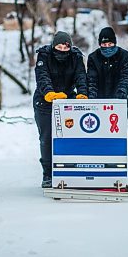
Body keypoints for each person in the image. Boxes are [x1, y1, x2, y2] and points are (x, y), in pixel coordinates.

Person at [33, 31, 88, 188]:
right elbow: (42, 76)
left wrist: (82, 93)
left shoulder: (76, 56)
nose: (63, 49)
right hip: (45, 102)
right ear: (53, 45)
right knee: (47, 138)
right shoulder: (44, 55)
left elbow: (80, 76)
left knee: (70, 137)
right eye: (59, 46)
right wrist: (49, 93)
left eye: (66, 46)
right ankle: (48, 174)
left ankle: (69, 171)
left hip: (67, 102)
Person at [87, 26, 128, 99]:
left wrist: (122, 91)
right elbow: (91, 79)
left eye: (110, 44)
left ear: (114, 43)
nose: (107, 47)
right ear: (100, 44)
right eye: (104, 45)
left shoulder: (124, 55)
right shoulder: (93, 57)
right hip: (98, 100)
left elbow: (126, 76)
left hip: (118, 99)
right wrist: (91, 94)